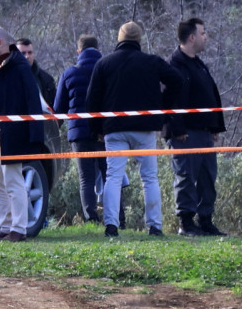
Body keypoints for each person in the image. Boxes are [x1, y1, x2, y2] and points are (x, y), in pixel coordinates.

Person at [86, 21, 184, 238]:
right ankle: (154, 226)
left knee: (113, 176)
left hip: (114, 128)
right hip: (145, 127)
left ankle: (111, 226)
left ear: (119, 39)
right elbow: (177, 80)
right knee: (149, 177)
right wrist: (163, 108)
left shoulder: (104, 64)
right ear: (139, 40)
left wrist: (96, 130)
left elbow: (91, 100)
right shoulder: (151, 62)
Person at [0, 27, 45, 242]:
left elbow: (32, 100)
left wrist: (33, 135)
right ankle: (4, 227)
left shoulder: (18, 66)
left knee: (12, 180)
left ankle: (19, 229)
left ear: (2, 42)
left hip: (12, 131)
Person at [167, 17, 228, 237]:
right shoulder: (174, 64)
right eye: (203, 33)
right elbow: (170, 101)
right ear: (192, 37)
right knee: (185, 177)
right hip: (185, 134)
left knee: (207, 179)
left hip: (204, 132)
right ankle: (186, 223)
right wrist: (177, 129)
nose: (206, 37)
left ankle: (205, 221)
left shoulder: (199, 64)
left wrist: (215, 127)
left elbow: (210, 96)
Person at [53, 35, 106, 222]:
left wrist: (52, 132)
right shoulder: (106, 70)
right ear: (98, 49)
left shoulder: (69, 73)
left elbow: (59, 108)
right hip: (103, 131)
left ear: (79, 51)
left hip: (79, 134)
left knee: (86, 179)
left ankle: (91, 219)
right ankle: (115, 217)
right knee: (109, 176)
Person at [17, 38, 57, 108]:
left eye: (30, 53)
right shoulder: (6, 78)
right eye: (23, 53)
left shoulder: (46, 79)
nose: (27, 56)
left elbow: (54, 106)